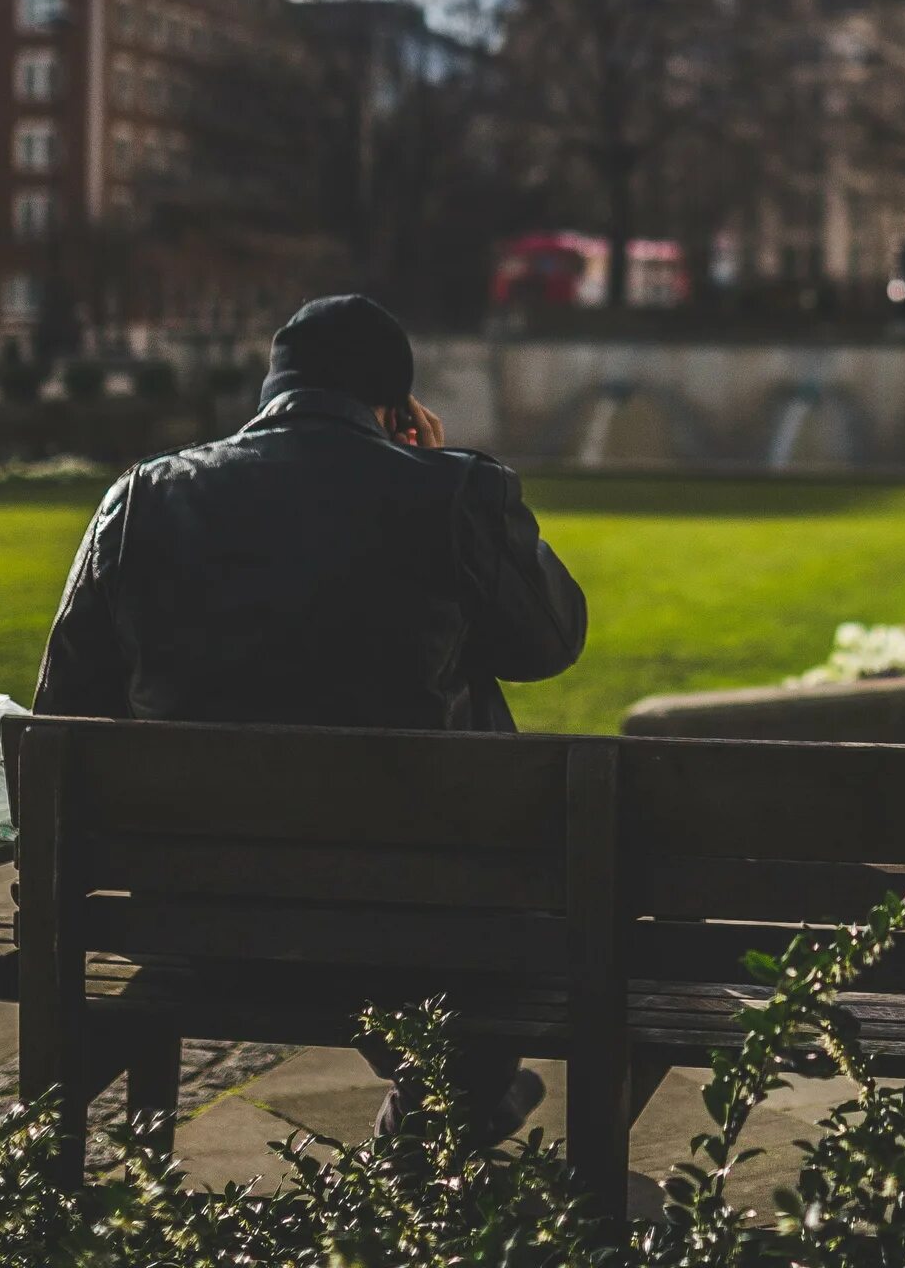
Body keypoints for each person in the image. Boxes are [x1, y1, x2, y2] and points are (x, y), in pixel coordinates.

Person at [34, 293, 588, 1141]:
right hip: (423, 921)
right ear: (398, 409)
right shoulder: (454, 494)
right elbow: (549, 642)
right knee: (507, 947)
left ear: (273, 388)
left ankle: (453, 1100)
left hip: (193, 912)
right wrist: (441, 479)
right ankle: (447, 1103)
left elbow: (64, 717)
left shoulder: (139, 499)